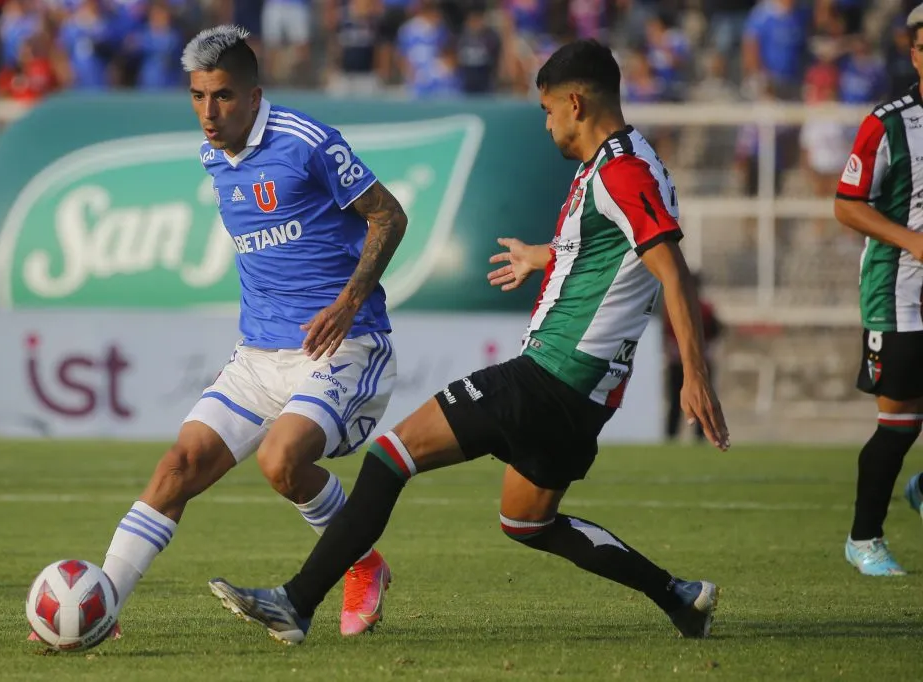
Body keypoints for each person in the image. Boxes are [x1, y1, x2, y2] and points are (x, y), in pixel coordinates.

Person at [209, 38, 730, 644]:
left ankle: (296, 603)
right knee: (527, 520)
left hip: (553, 373)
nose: (547, 125)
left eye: (548, 111)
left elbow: (670, 268)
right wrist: (545, 256)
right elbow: (615, 250)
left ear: (576, 104)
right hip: (587, 396)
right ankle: (680, 596)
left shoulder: (621, 172)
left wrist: (695, 374)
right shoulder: (629, 161)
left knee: (389, 458)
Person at [32, 24, 408, 643]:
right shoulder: (213, 156)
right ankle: (101, 608)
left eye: (224, 96)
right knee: (177, 466)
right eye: (198, 96)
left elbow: (388, 216)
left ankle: (361, 562)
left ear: (254, 96)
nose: (209, 112)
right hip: (258, 356)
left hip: (344, 345)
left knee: (281, 461)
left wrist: (347, 302)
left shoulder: (307, 142)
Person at [833, 2, 923, 578]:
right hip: (899, 292)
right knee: (900, 421)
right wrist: (913, 241)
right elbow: (847, 205)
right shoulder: (888, 123)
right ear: (914, 55)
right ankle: (864, 538)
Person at [664, 272, 722, 441]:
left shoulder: (675, 308)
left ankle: (672, 435)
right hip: (700, 361)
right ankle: (701, 435)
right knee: (701, 399)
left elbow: (667, 333)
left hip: (679, 361)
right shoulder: (705, 308)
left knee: (675, 401)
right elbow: (717, 331)